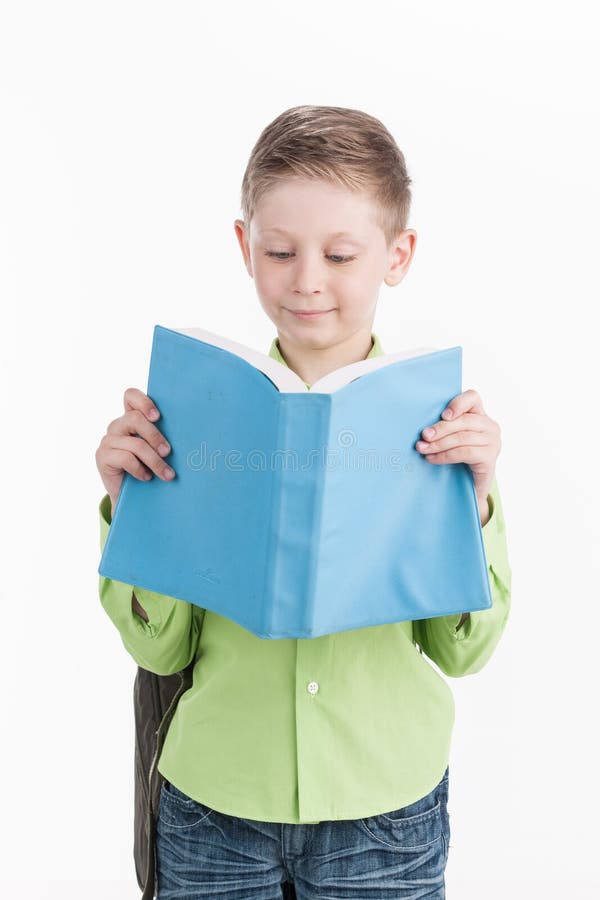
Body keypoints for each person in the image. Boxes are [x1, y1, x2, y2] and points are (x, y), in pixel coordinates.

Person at [95, 105, 512, 899]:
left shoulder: (447, 427)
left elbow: (463, 651)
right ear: (245, 246)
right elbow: (160, 650)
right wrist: (134, 508)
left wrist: (478, 506)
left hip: (384, 811)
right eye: (279, 250)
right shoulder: (196, 414)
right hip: (214, 801)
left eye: (341, 253)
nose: (307, 279)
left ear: (399, 255)